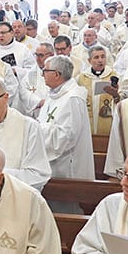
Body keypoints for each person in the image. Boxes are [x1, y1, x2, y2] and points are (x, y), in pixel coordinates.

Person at [36, 56, 94, 199]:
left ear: (56, 74)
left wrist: (36, 130)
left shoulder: (73, 98)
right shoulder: (54, 95)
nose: (42, 74)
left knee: (68, 212)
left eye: (45, 70)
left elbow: (67, 136)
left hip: (68, 170)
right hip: (52, 166)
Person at [77, 45, 118, 136]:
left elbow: (121, 97)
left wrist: (116, 95)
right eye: (96, 57)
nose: (100, 60)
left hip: (107, 123)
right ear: (89, 61)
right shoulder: (81, 78)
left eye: (103, 57)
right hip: (87, 123)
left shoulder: (113, 76)